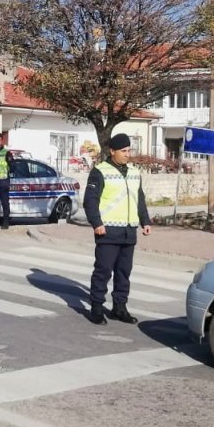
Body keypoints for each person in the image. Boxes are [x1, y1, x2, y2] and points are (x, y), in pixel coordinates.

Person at [82, 133, 151, 325]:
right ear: (112, 151)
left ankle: (119, 307)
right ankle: (96, 307)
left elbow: (140, 199)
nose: (127, 154)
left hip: (129, 231)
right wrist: (97, 223)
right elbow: (90, 201)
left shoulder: (135, 172)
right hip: (108, 231)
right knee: (103, 271)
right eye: (123, 151)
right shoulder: (100, 171)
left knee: (124, 272)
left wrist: (145, 221)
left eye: (129, 150)